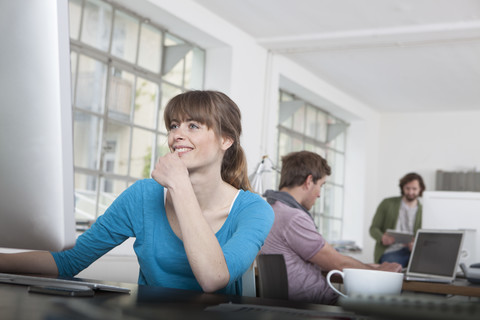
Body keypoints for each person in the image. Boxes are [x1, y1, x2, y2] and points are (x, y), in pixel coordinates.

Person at [0, 90, 274, 295]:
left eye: (193, 126)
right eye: (173, 125)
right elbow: (68, 261)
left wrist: (179, 185)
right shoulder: (143, 196)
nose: (177, 135)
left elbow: (214, 278)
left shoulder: (254, 210)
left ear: (226, 139)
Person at [260, 151, 401, 305]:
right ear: (309, 181)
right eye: (320, 185)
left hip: (299, 303)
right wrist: (378, 272)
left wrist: (370, 266)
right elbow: (338, 263)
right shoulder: (293, 218)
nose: (319, 194)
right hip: (317, 305)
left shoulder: (270, 211)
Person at [369, 172, 425, 267]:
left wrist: (417, 244)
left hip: (415, 253)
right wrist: (382, 238)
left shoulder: (424, 211)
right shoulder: (387, 203)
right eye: (407, 188)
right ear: (402, 188)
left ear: (420, 189)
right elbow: (373, 228)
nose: (411, 192)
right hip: (391, 251)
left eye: (414, 189)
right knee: (393, 266)